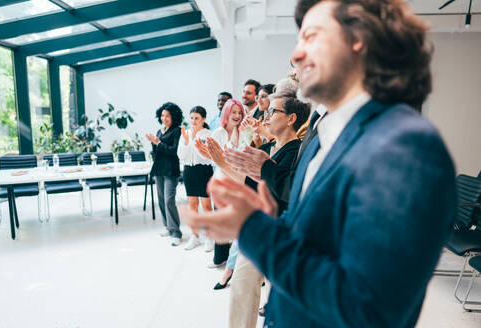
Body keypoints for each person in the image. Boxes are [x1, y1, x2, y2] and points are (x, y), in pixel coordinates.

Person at [182, 1, 457, 327]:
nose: (296, 55)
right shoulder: (321, 132)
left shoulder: (407, 148)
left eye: (310, 37)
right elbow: (312, 243)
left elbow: (365, 311)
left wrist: (253, 230)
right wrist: (267, 221)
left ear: (359, 37)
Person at [204, 89, 310, 327]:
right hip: (257, 227)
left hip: (277, 231)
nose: (266, 116)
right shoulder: (269, 146)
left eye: (273, 111)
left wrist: (221, 162)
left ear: (291, 118)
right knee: (241, 287)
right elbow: (248, 182)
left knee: (273, 296)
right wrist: (219, 161)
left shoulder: (295, 152)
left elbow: (276, 190)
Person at [195, 99, 245, 268]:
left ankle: (238, 259)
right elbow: (212, 159)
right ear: (226, 114)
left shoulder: (245, 132)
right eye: (234, 112)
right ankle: (220, 258)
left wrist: (236, 139)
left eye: (239, 112)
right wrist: (204, 152)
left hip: (239, 182)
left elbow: (238, 158)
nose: (237, 116)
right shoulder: (217, 133)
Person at [146, 102, 183, 247]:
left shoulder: (177, 131)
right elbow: (157, 151)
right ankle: (167, 226)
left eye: (167, 115)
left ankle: (176, 232)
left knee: (169, 200)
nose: (164, 118)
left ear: (174, 116)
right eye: (162, 115)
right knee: (161, 200)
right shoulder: (160, 131)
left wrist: (158, 142)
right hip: (159, 169)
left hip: (170, 169)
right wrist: (153, 143)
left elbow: (174, 151)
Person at [177, 106, 214, 251]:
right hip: (189, 171)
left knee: (206, 206)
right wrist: (186, 142)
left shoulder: (208, 134)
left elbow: (207, 158)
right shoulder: (185, 133)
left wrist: (195, 144)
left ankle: (209, 237)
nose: (193, 121)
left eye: (197, 118)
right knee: (192, 205)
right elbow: (181, 156)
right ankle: (195, 236)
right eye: (191, 117)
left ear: (203, 119)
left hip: (203, 171)